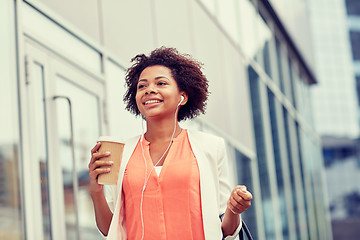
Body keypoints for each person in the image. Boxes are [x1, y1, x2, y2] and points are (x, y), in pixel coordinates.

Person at [88, 47, 252, 240]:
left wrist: (233, 209)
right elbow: (111, 230)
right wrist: (95, 191)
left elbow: (225, 230)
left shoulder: (210, 147)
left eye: (161, 83)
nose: (149, 89)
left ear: (182, 96)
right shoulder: (123, 153)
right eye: (142, 86)